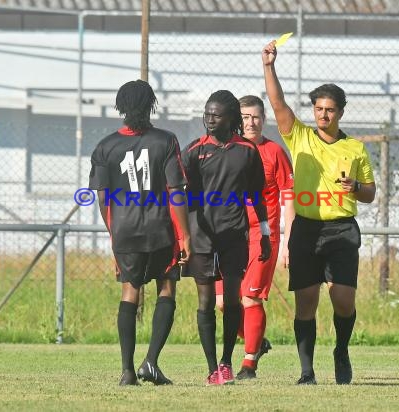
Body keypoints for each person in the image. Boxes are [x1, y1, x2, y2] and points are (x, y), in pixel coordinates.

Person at [262, 41, 376, 385]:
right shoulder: (300, 138)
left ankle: (341, 351)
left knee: (342, 300)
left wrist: (355, 186)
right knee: (306, 302)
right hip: (307, 230)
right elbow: (277, 103)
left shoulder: (355, 148)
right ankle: (307, 371)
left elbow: (371, 194)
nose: (322, 114)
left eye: (329, 109)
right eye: (318, 108)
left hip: (341, 229)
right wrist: (269, 66)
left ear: (340, 112)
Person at [88, 80, 191, 386]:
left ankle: (126, 371)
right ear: (151, 105)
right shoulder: (166, 141)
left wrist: (114, 236)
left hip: (125, 233)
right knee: (167, 288)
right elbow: (176, 192)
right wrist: (184, 236)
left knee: (130, 291)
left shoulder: (105, 147)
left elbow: (103, 199)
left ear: (120, 107)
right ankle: (151, 362)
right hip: (161, 230)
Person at [181, 90, 271, 385]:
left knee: (233, 301)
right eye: (207, 113)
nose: (209, 119)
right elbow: (180, 195)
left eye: (216, 114)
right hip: (202, 236)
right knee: (206, 301)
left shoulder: (246, 151)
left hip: (234, 235)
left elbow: (258, 196)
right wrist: (183, 235)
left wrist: (266, 235)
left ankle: (226, 362)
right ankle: (211, 369)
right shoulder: (194, 151)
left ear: (230, 117)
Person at [215, 95, 295, 380]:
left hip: (263, 237)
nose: (251, 122)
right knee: (224, 303)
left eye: (256, 117)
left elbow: (289, 198)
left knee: (249, 299)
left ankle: (249, 363)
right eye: (245, 117)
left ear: (264, 119)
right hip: (229, 237)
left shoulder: (275, 152)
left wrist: (288, 241)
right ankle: (258, 342)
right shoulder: (226, 149)